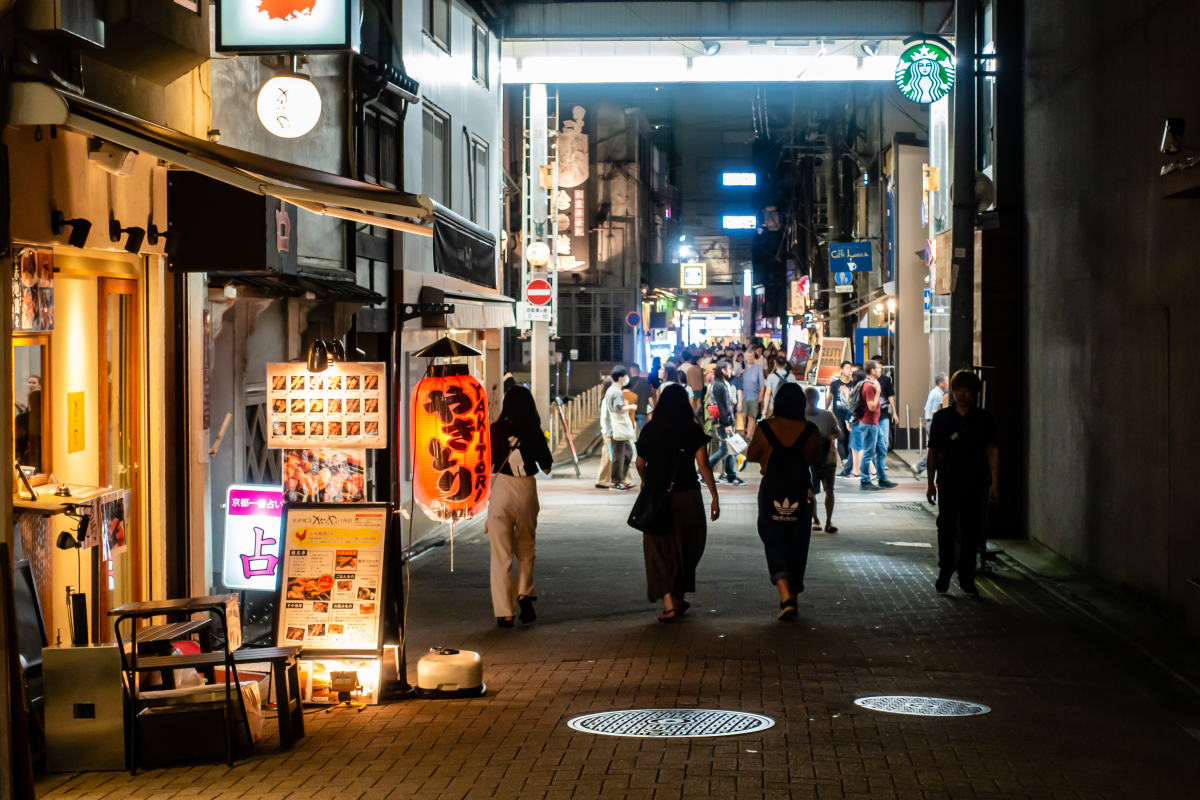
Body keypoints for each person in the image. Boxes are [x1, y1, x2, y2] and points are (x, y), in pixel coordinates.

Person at [634, 384, 720, 622]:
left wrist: (645, 482)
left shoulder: (650, 430)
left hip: (656, 498)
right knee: (687, 546)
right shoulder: (692, 430)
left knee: (658, 549)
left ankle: (671, 603)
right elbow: (703, 464)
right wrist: (714, 496)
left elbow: (640, 464)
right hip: (687, 497)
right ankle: (678, 597)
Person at [745, 383, 822, 620]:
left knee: (773, 538)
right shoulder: (810, 429)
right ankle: (791, 600)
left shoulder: (765, 427)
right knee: (799, 542)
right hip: (801, 491)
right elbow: (813, 458)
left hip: (772, 491)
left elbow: (751, 455)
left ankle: (786, 597)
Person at [925, 370, 999, 596]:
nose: (961, 394)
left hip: (976, 481)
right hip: (948, 480)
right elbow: (932, 451)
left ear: (974, 393)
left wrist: (994, 483)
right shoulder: (942, 418)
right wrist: (930, 483)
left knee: (971, 529)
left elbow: (992, 449)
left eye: (967, 390)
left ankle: (967, 577)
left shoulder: (984, 418)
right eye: (958, 389)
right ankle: (945, 571)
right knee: (945, 526)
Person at [488, 386, 554, 627]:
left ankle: (505, 613)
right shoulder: (533, 431)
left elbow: (487, 464)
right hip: (526, 489)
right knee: (526, 546)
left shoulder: (494, 430)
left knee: (501, 554)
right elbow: (546, 468)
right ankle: (525, 592)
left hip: (501, 489)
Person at [804, 387, 841, 533]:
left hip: (827, 456)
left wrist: (828, 437)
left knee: (829, 489)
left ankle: (828, 520)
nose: (811, 402)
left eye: (814, 398)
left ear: (818, 399)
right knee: (810, 491)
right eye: (808, 399)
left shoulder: (827, 415)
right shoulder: (801, 416)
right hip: (809, 458)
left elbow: (837, 431)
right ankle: (816, 520)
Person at [857, 360, 896, 490]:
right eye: (878, 369)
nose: (880, 370)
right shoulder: (869, 386)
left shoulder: (872, 384)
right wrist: (878, 392)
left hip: (874, 423)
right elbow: (871, 406)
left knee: (881, 448)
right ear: (872, 371)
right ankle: (865, 481)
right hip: (869, 423)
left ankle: (882, 479)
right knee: (868, 453)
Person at [704, 366, 743, 485]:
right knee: (724, 450)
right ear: (723, 371)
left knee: (727, 448)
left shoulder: (723, 385)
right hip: (724, 422)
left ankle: (731, 474)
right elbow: (721, 406)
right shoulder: (719, 385)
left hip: (726, 421)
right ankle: (702, 471)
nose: (731, 371)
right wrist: (726, 423)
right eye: (729, 369)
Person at [603, 366, 637, 490]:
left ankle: (619, 480)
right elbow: (617, 409)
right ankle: (616, 482)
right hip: (617, 429)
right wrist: (631, 407)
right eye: (626, 376)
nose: (627, 378)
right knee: (620, 455)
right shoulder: (616, 391)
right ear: (621, 377)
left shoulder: (612, 390)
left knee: (626, 453)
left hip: (615, 429)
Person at [914, 372, 948, 476]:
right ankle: (918, 467)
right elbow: (935, 412)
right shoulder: (939, 395)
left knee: (933, 448)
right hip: (933, 423)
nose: (948, 384)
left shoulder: (933, 392)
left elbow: (926, 409)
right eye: (946, 382)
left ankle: (920, 468)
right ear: (941, 383)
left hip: (928, 422)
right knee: (935, 449)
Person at [827, 361, 854, 477]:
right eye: (847, 368)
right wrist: (824, 408)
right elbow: (830, 398)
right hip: (837, 413)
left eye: (850, 368)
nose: (849, 370)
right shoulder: (835, 384)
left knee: (848, 437)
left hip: (849, 414)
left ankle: (848, 461)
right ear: (841, 370)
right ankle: (844, 459)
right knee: (841, 436)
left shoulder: (853, 384)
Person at [594, 376, 615, 489]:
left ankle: (606, 479)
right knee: (607, 456)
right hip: (608, 432)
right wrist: (608, 433)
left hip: (608, 431)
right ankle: (602, 480)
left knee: (609, 456)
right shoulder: (607, 399)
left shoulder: (607, 398)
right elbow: (606, 418)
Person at [741, 350, 766, 442]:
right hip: (743, 395)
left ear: (754, 357)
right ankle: (742, 434)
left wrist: (761, 395)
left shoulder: (758, 367)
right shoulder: (741, 366)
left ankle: (749, 436)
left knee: (752, 416)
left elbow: (762, 383)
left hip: (754, 395)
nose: (750, 358)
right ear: (745, 357)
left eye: (751, 356)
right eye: (748, 356)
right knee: (742, 415)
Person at [627, 364, 654, 430]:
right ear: (639, 371)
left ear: (630, 371)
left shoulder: (627, 383)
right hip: (641, 411)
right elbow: (650, 397)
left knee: (631, 433)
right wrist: (654, 408)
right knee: (642, 432)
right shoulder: (645, 382)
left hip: (630, 411)